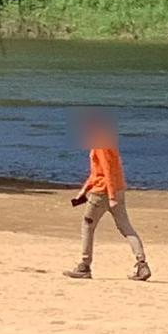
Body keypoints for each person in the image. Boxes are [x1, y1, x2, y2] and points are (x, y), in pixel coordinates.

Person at [64, 112, 151, 281]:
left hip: (103, 192)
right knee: (126, 227)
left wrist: (110, 196)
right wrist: (83, 191)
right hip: (116, 189)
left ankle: (84, 265)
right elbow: (98, 172)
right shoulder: (109, 142)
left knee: (87, 225)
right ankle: (142, 264)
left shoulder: (100, 145)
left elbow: (107, 172)